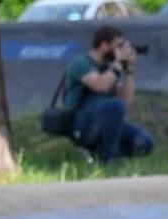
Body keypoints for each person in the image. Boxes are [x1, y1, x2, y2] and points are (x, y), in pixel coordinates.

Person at [61, 25, 154, 164]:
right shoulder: (81, 63)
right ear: (104, 45)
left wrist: (128, 69)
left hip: (107, 121)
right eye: (119, 46)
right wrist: (117, 64)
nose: (121, 50)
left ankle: (101, 153)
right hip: (80, 121)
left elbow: (125, 101)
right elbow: (101, 85)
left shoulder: (108, 67)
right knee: (113, 106)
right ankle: (109, 158)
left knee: (144, 142)